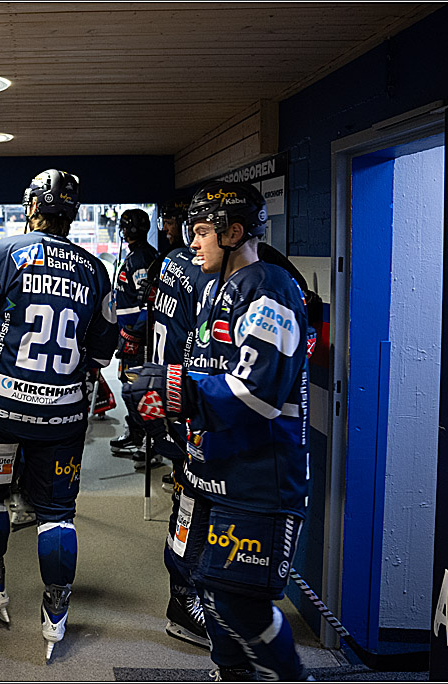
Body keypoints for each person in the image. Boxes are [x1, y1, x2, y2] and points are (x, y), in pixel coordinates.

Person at [123, 180, 313, 681]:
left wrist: (177, 389)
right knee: (211, 590)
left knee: (241, 601)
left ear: (235, 233)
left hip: (258, 483)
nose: (193, 242)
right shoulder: (213, 288)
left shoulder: (271, 288)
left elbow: (259, 391)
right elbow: (200, 370)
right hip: (210, 471)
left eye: (204, 232)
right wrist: (164, 404)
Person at [0, 170, 117, 661]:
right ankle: (56, 612)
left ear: (32, 207)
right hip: (62, 418)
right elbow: (103, 353)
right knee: (57, 513)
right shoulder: (94, 269)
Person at [146, 208, 218, 650]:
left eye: (200, 233)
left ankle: (192, 595)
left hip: (173, 394)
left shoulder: (171, 261)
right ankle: (183, 600)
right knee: (193, 503)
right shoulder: (202, 276)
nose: (193, 241)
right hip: (187, 401)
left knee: (190, 499)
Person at [110, 208, 160, 469]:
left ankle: (150, 442)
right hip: (127, 334)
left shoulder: (141, 259)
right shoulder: (135, 255)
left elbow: (149, 303)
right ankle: (136, 432)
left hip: (138, 338)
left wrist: (135, 332)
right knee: (128, 386)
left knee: (141, 387)